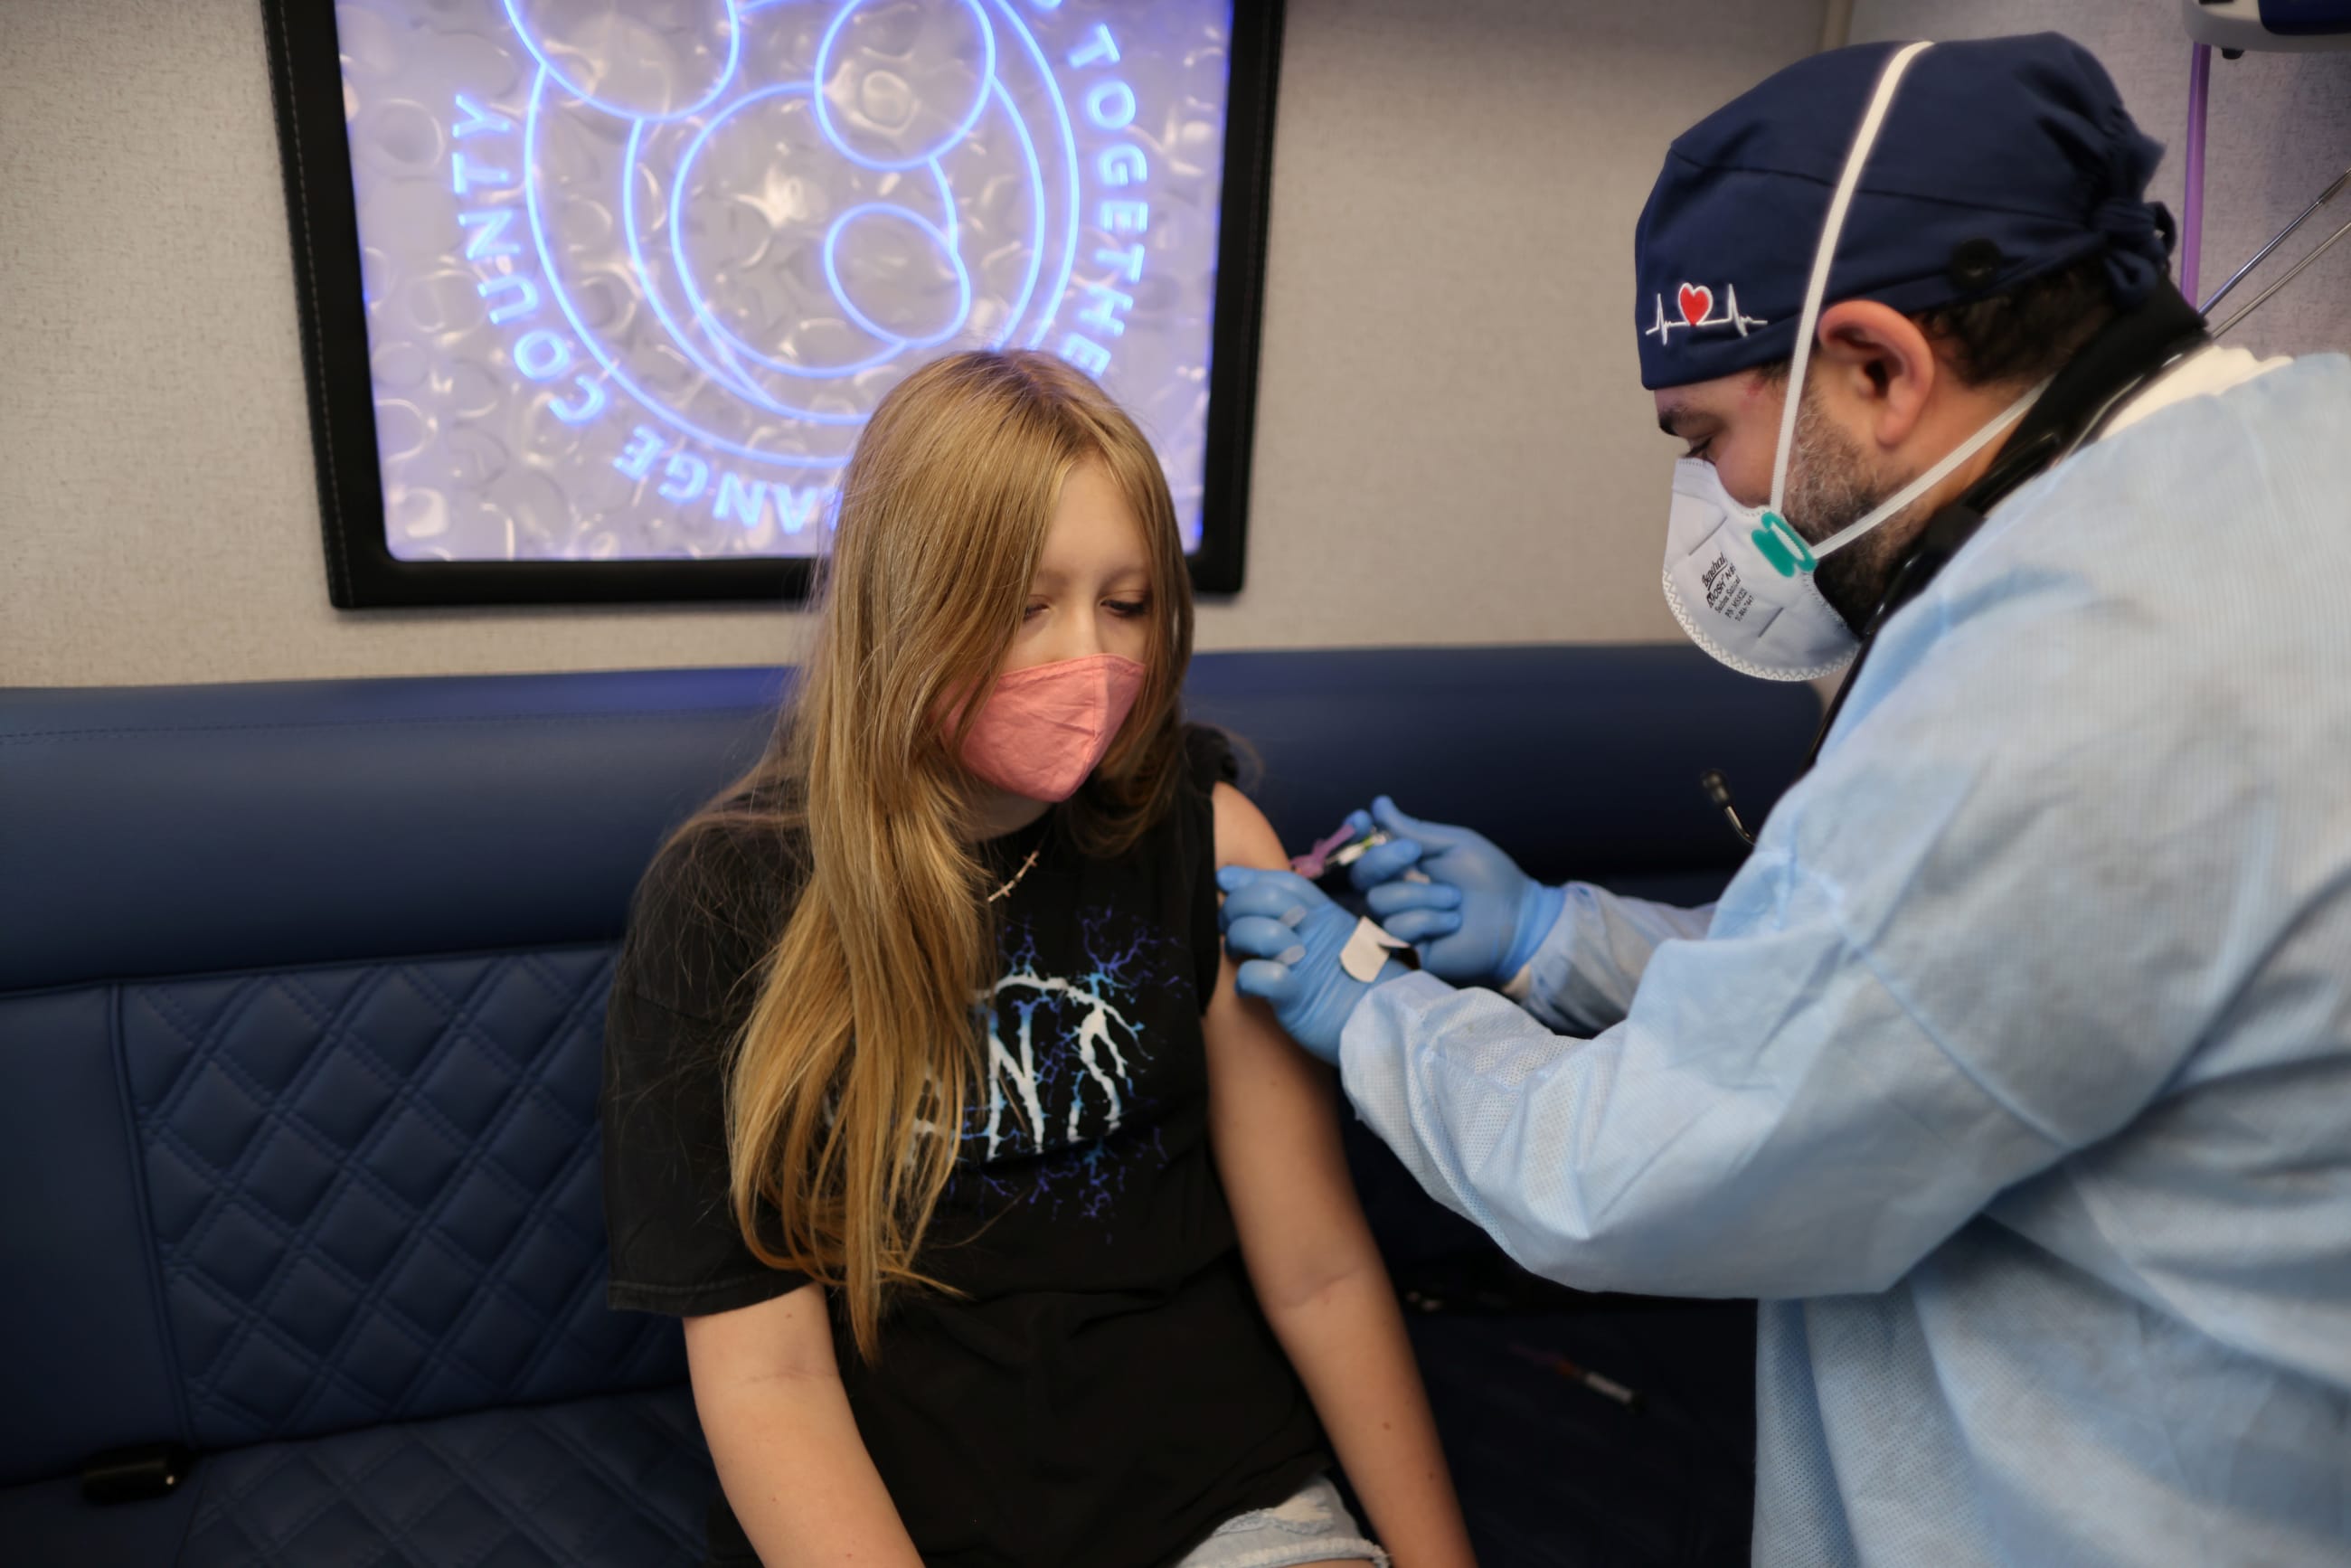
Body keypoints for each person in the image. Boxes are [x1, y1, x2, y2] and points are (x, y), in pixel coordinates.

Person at [1219, 33, 2351, 1568]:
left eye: (1713, 439)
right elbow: (1914, 1008)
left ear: (1880, 367)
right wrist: (1561, 939)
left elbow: (1639, 1163)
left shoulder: (2056, 675)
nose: (1736, 507)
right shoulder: (2290, 464)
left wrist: (1379, 1012)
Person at [600, 350, 1476, 1568]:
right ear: (904, 600)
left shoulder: (1213, 838)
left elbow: (1318, 1268)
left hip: (1219, 1499)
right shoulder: (726, 900)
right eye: (1025, 603)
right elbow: (768, 1379)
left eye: (1125, 605)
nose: (1090, 660)